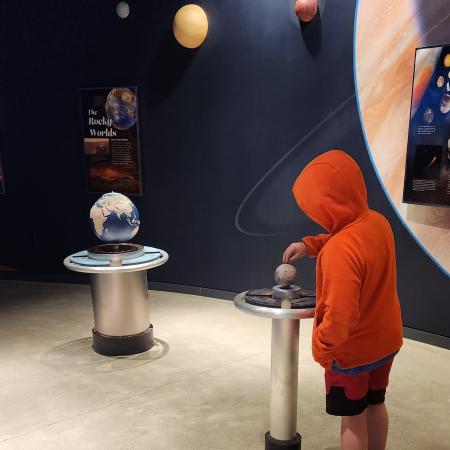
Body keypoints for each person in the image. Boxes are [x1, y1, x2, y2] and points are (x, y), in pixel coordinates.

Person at [283, 150, 403, 450]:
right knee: (376, 404)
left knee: (352, 418)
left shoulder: (339, 253)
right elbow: (347, 234)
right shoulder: (377, 222)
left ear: (326, 205)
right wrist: (309, 245)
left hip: (350, 354)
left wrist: (324, 351)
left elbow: (340, 315)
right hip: (385, 343)